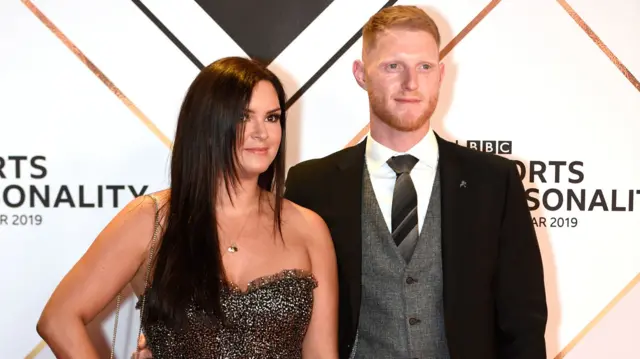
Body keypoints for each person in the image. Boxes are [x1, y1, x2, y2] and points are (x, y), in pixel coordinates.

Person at [137, 5, 548, 359]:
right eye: (393, 66)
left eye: (424, 66)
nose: (411, 82)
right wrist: (172, 333)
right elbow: (264, 303)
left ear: (441, 74)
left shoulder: (494, 181)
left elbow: (524, 326)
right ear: (360, 74)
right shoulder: (312, 185)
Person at [36, 56, 339, 359]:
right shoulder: (152, 218)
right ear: (206, 125)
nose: (262, 132)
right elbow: (59, 319)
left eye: (272, 117)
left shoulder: (308, 229)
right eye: (244, 117)